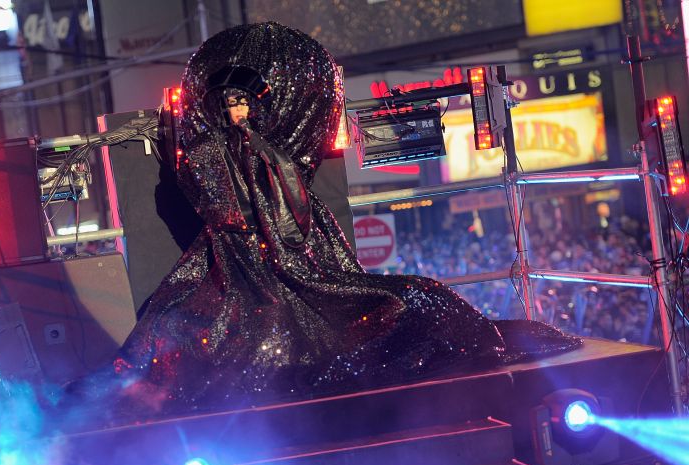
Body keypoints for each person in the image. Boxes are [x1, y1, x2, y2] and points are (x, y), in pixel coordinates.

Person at [111, 22, 580, 414]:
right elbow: (220, 205)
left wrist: (264, 173)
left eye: (243, 102)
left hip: (286, 247)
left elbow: (289, 206)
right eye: (230, 103)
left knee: (404, 304)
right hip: (236, 256)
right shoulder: (206, 151)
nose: (238, 110)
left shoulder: (267, 149)